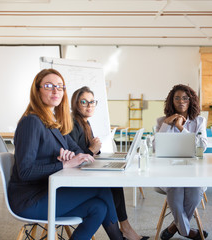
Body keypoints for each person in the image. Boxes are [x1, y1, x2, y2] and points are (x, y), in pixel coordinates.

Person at [8, 69, 124, 240]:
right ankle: (121, 238)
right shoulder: (31, 122)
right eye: (49, 86)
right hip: (30, 200)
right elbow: (25, 171)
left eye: (60, 87)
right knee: (101, 188)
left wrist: (71, 156)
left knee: (98, 207)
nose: (56, 91)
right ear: (37, 90)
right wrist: (64, 164)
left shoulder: (52, 122)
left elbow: (77, 151)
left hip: (48, 190)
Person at [69, 86, 148, 240]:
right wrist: (92, 149)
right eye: (84, 102)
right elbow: (76, 156)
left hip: (83, 171)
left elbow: (86, 149)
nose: (89, 105)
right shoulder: (74, 124)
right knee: (111, 186)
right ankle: (122, 232)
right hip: (74, 176)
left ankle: (123, 231)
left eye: (92, 102)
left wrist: (95, 148)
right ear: (75, 104)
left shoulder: (85, 123)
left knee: (114, 184)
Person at [156, 84, 208, 240]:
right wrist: (167, 125)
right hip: (169, 170)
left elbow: (202, 146)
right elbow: (155, 147)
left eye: (185, 98)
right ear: (171, 101)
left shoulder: (199, 121)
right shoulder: (162, 121)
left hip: (194, 170)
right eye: (177, 98)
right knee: (176, 189)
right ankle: (186, 231)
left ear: (190, 100)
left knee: (195, 191)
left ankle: (175, 226)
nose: (181, 101)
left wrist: (180, 128)